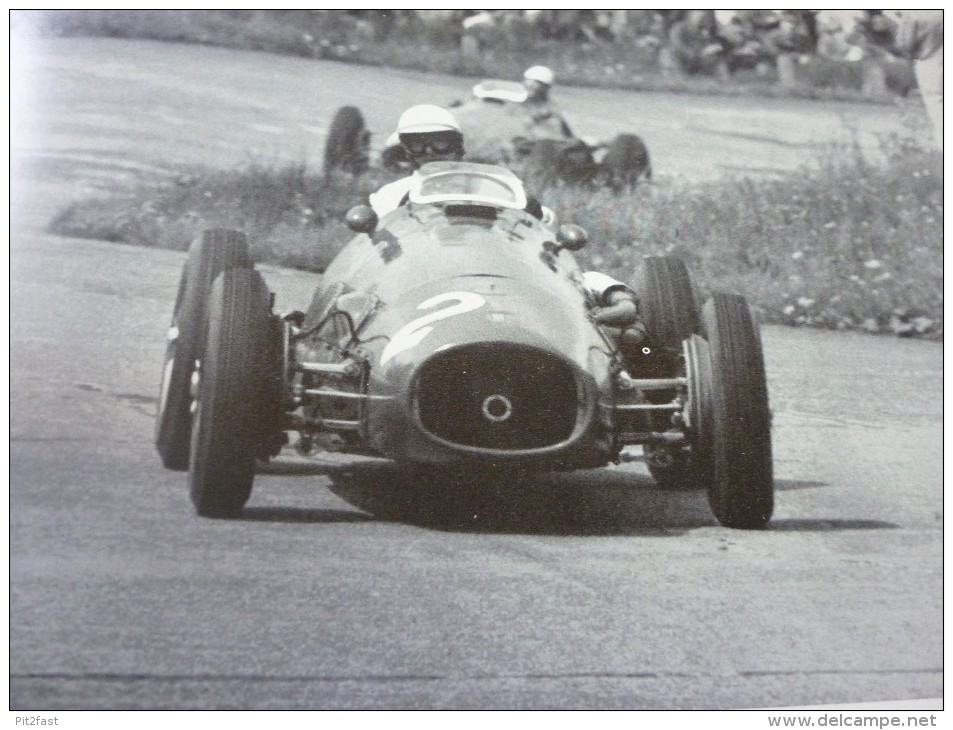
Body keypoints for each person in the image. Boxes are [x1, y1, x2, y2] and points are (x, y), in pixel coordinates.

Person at [368, 104, 465, 217]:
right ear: (408, 150)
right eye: (418, 144)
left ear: (456, 145)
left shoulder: (481, 188)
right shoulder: (391, 194)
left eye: (440, 142)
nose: (430, 152)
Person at [520, 65, 574, 138]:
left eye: (536, 83)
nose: (531, 86)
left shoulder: (552, 109)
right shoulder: (517, 103)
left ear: (546, 87)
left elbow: (566, 134)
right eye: (528, 83)